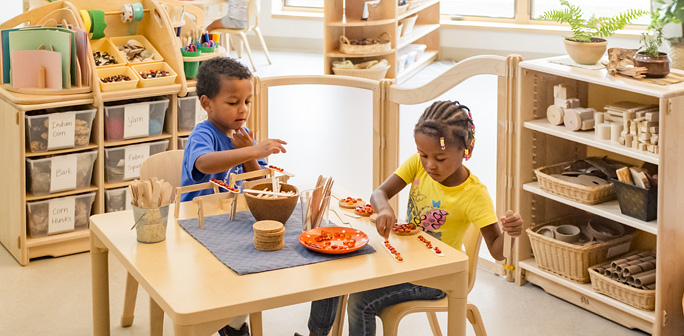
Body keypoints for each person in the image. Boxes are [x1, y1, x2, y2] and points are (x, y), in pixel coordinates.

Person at [304, 100, 524, 336]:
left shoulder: (474, 195)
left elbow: (497, 251)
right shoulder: (418, 165)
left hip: (435, 278)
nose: (430, 165)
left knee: (360, 302)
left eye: (440, 159)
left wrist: (511, 234)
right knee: (335, 264)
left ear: (466, 150)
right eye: (423, 155)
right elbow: (379, 193)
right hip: (403, 263)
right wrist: (385, 209)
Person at [180, 57, 287, 336]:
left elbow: (261, 187)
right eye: (232, 102)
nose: (243, 110)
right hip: (199, 228)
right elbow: (203, 163)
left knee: (261, 264)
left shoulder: (244, 136)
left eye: (247, 101)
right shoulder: (203, 134)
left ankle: (234, 323)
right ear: (207, 103)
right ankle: (229, 323)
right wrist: (251, 151)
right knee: (226, 279)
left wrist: (251, 153)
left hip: (233, 222)